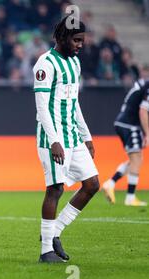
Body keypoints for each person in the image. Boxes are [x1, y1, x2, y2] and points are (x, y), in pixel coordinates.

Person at [33, 16, 100, 263]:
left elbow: (74, 103)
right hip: (53, 138)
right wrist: (54, 140)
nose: (80, 45)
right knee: (55, 189)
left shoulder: (75, 63)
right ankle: (45, 252)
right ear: (63, 38)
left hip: (73, 136)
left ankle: (54, 234)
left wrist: (86, 136)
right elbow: (41, 107)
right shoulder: (45, 63)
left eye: (82, 40)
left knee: (92, 184)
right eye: (76, 40)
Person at [102, 65, 149, 206]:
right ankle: (130, 197)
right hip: (129, 124)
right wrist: (147, 133)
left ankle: (110, 183)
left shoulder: (143, 83)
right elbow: (143, 111)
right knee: (136, 159)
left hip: (123, 122)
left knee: (136, 158)